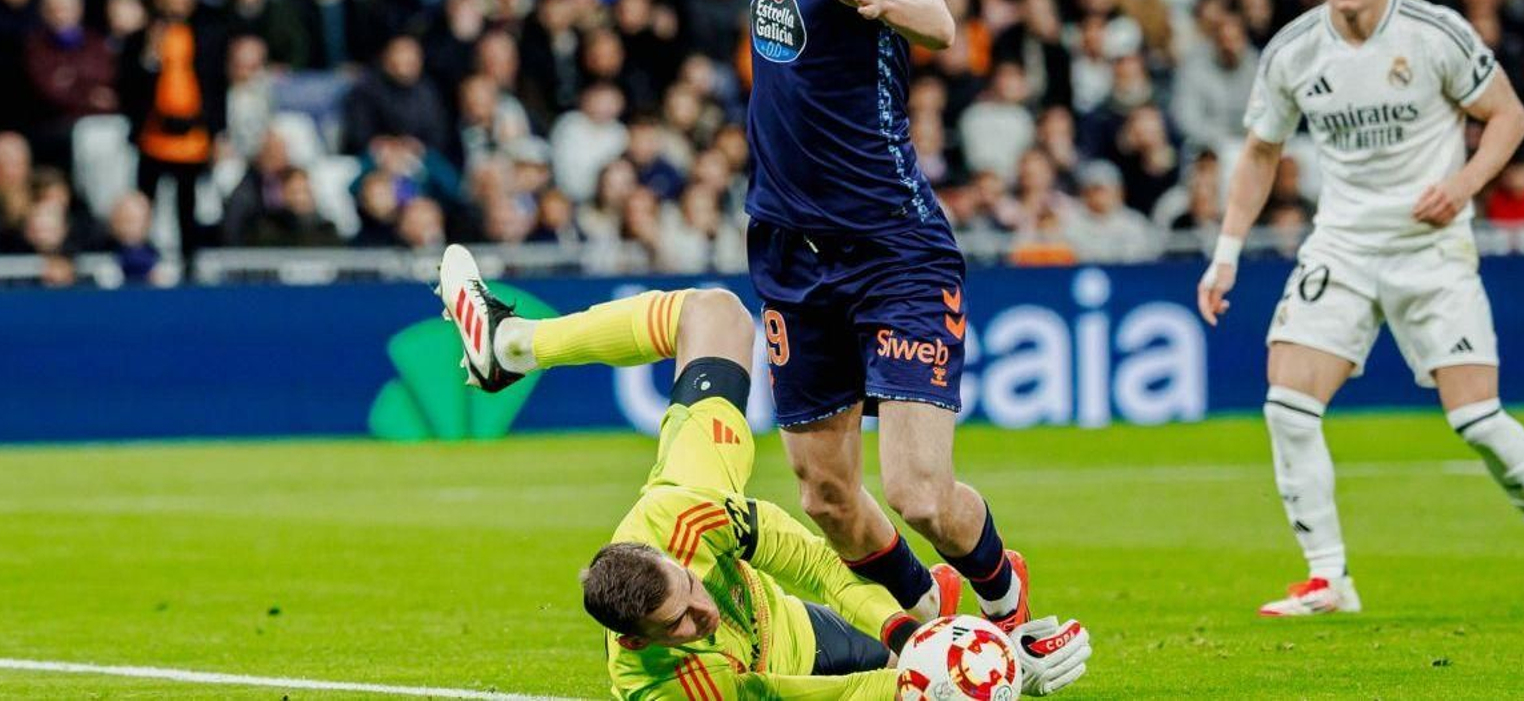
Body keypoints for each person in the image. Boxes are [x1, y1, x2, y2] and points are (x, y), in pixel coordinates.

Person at [632, 0, 1034, 636]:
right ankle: (935, 628)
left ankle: (1010, 609)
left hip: (893, 248)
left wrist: (886, 7)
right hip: (787, 247)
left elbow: (941, 19)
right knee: (826, 496)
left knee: (919, 493)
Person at [434, 244, 1090, 699]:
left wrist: (900, 629)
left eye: (690, 592)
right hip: (788, 663)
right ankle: (985, 633)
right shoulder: (673, 686)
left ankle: (513, 345)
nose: (703, 611)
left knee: (714, 313)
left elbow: (810, 558)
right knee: (928, 658)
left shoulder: (681, 517)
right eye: (682, 624)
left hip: (738, 540)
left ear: (668, 557)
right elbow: (780, 695)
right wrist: (917, 679)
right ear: (637, 640)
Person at [1197, 0, 1524, 615]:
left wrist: (1464, 183)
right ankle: (1328, 576)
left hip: (1431, 248)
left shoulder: (1435, 34)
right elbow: (1259, 152)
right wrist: (1225, 253)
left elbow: (1508, 114)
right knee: (1287, 404)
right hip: (1343, 246)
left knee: (1477, 418)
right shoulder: (1293, 52)